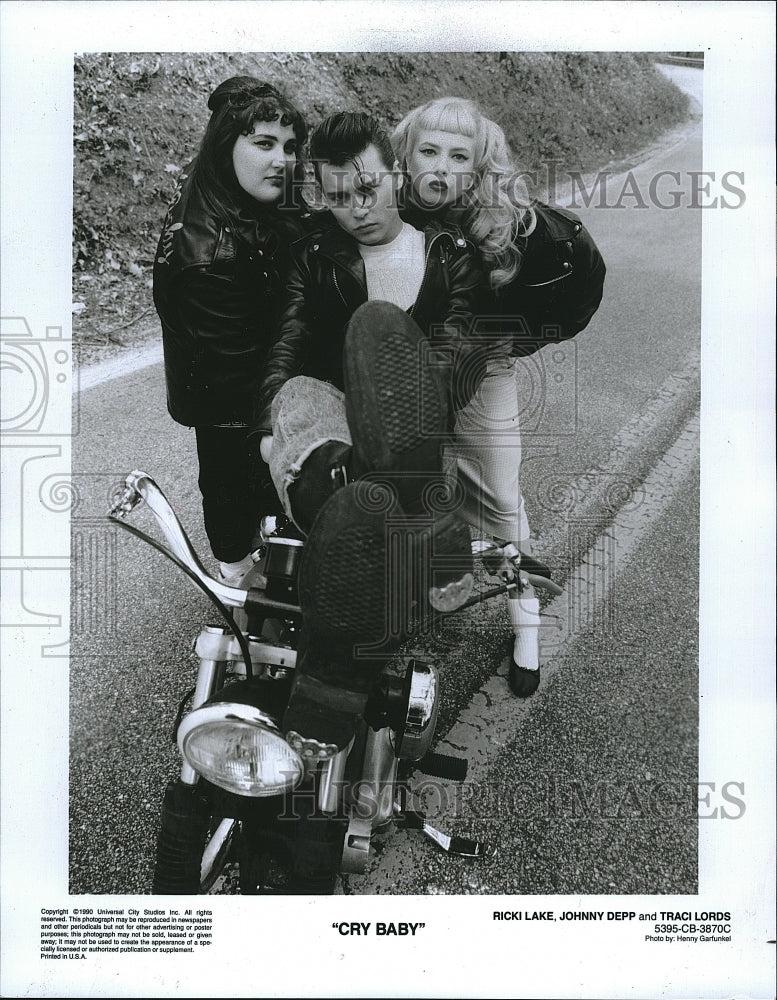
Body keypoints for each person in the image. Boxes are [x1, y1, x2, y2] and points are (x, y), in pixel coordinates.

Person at [247, 111, 489, 750]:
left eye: (367, 189)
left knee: (387, 344)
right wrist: (269, 421)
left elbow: (458, 355)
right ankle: (358, 482)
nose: (353, 209)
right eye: (335, 196)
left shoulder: (449, 255)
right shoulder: (315, 251)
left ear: (396, 174)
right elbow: (289, 344)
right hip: (329, 412)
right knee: (301, 396)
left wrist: (404, 396)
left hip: (413, 419)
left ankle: (366, 483)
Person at [391, 96, 606, 699]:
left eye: (458, 156)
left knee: (497, 495)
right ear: (405, 156)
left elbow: (573, 285)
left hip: (481, 369)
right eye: (428, 152)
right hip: (400, 365)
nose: (440, 168)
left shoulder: (509, 219)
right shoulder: (383, 204)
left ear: (479, 166)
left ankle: (525, 619)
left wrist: (512, 344)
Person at [152, 76, 311, 585]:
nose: (281, 160)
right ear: (228, 144)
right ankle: (237, 576)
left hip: (244, 361)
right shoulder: (207, 259)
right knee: (229, 478)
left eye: (289, 146)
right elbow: (242, 379)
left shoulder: (227, 186)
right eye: (263, 144)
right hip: (224, 392)